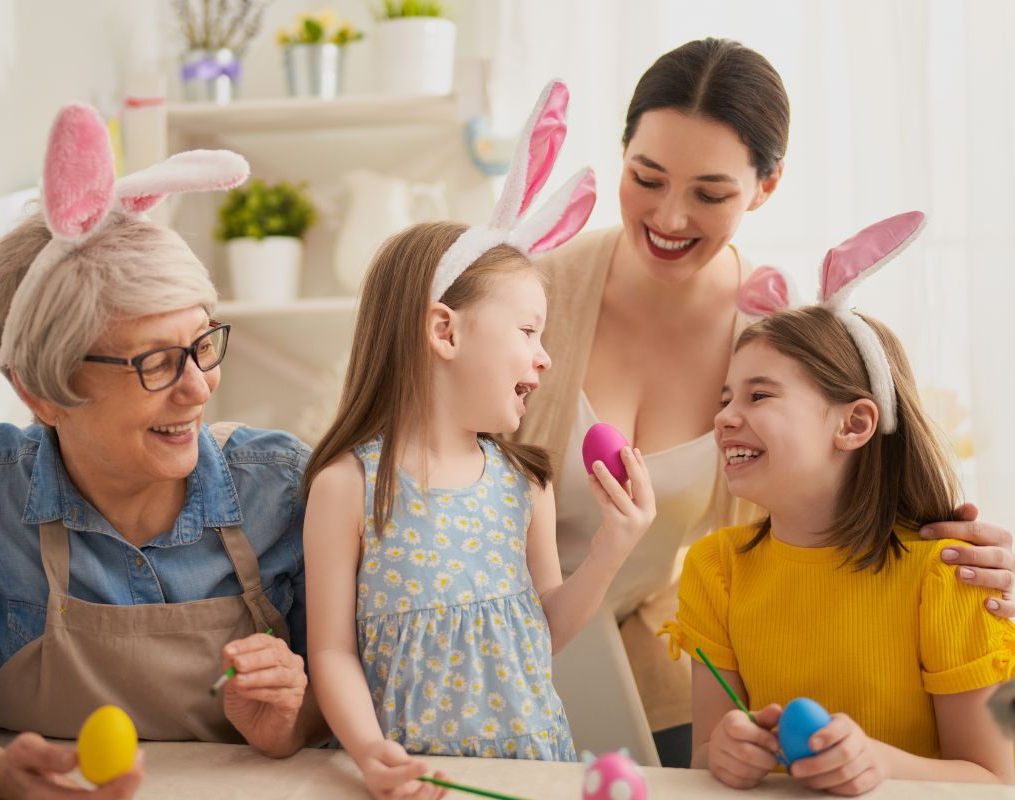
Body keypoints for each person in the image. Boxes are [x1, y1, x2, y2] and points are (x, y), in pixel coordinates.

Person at [514, 37, 1015, 766]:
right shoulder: (530, 295)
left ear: (765, 187)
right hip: (492, 638)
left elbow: (857, 488)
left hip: (651, 671)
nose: (670, 216)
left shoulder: (772, 338)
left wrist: (980, 565)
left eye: (710, 193)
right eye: (646, 177)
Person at [0, 105, 323, 799]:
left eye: (202, 344)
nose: (198, 387)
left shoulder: (279, 488)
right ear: (43, 393)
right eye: (156, 362)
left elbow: (359, 702)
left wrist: (295, 717)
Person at [302, 82, 656, 800]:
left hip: (533, 773)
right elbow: (332, 650)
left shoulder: (525, 483)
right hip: (417, 784)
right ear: (444, 330)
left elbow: (542, 627)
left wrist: (613, 549)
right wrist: (370, 753)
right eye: (528, 331)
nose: (545, 357)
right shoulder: (348, 485)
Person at [662, 213, 1015, 793]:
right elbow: (706, 755)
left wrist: (879, 764)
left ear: (853, 424)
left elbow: (992, 780)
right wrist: (723, 752)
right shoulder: (714, 568)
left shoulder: (951, 574)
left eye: (759, 394)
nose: (725, 416)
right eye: (726, 397)